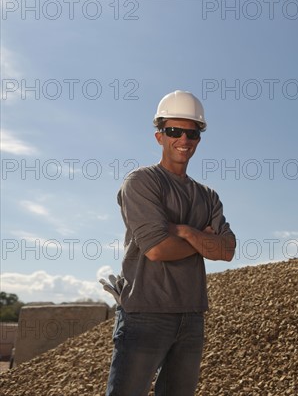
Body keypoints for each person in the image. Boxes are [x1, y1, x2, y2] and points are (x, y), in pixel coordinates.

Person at [102, 90, 236, 396]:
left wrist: (186, 232)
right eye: (174, 131)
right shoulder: (142, 182)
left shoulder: (208, 196)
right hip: (145, 313)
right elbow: (158, 249)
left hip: (191, 316)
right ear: (159, 136)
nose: (184, 140)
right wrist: (205, 240)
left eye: (192, 133)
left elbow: (227, 250)